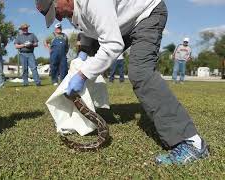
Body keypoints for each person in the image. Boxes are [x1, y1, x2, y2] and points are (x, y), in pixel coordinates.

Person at [36, 0, 209, 165]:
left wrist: (82, 76)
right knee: (83, 65)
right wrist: (83, 54)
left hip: (146, 14)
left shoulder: (94, 2)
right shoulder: (74, 11)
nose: (58, 18)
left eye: (55, 10)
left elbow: (112, 45)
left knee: (140, 72)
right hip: (122, 23)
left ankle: (192, 142)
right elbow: (91, 30)